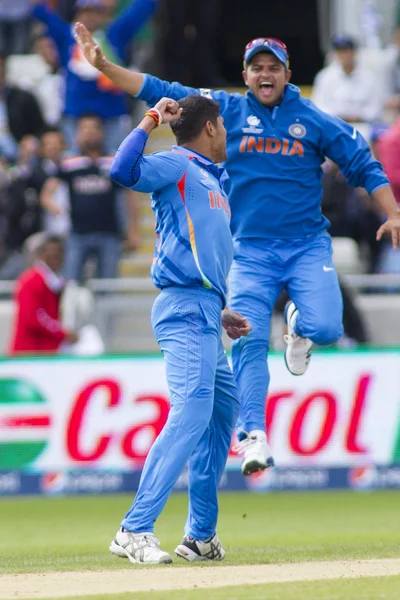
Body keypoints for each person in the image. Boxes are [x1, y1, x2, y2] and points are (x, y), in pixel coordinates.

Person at [75, 26, 400, 475]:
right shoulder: (224, 109)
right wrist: (106, 67)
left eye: (274, 68)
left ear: (288, 74)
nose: (265, 74)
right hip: (249, 252)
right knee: (246, 337)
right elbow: (162, 89)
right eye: (257, 67)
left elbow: (363, 162)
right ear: (246, 75)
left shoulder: (314, 119)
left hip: (307, 245)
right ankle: (253, 436)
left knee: (326, 328)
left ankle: (299, 325)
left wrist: (393, 212)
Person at [108, 94, 251, 564]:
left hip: (206, 308)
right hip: (184, 307)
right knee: (191, 410)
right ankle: (134, 528)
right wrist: (151, 119)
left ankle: (200, 536)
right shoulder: (177, 163)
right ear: (210, 128)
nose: (227, 134)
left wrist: (220, 305)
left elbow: (202, 250)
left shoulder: (211, 177)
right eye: (224, 127)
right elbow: (122, 170)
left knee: (220, 412)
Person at [32, 0, 159, 152]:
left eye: (95, 12)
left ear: (104, 16)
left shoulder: (114, 34)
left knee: (118, 162)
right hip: (75, 116)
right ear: (77, 14)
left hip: (112, 114)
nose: (90, 17)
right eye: (85, 12)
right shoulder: (67, 35)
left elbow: (139, 12)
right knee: (73, 162)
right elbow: (43, 13)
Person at [41, 114, 137, 281]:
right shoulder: (70, 161)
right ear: (78, 133)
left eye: (93, 128)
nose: (89, 133)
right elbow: (46, 194)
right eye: (84, 129)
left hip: (109, 234)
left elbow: (129, 196)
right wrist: (57, 209)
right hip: (77, 233)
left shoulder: (113, 160)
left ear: (102, 132)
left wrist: (133, 230)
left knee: (107, 286)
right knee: (71, 284)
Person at [8, 234, 78, 355]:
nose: (57, 259)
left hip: (47, 350)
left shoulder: (57, 283)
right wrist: (62, 333)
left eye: (59, 255)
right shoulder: (30, 281)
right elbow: (34, 317)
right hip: (29, 351)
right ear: (41, 256)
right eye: (53, 255)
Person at [311, 35, 384, 124]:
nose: (345, 55)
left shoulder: (369, 77)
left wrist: (358, 116)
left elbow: (376, 107)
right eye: (340, 52)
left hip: (363, 125)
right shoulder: (325, 77)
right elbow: (319, 105)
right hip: (334, 125)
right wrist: (339, 117)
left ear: (354, 52)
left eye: (347, 51)